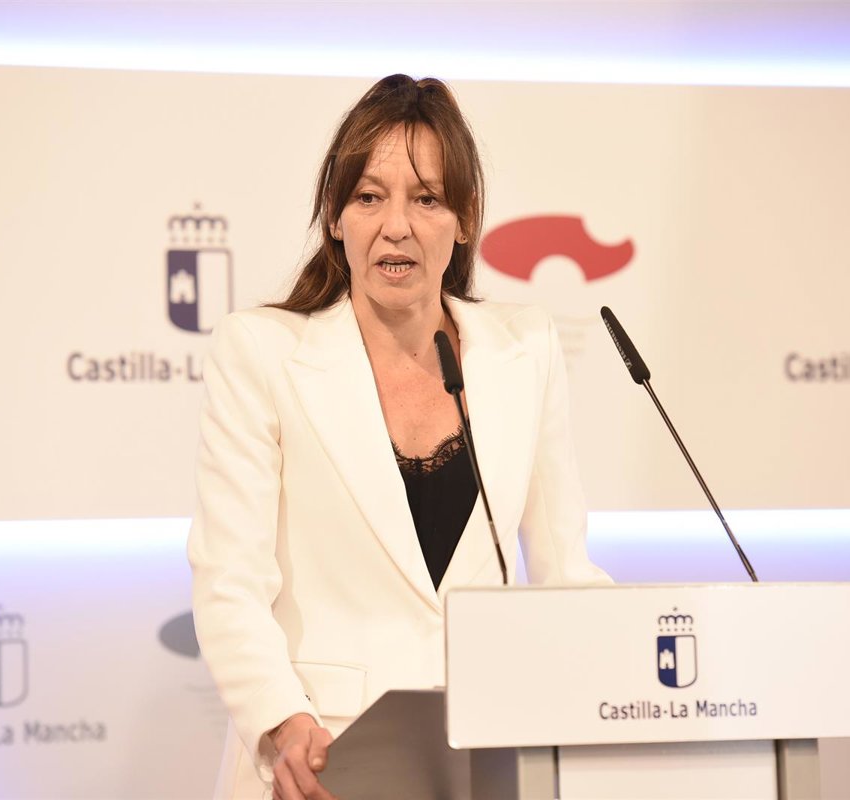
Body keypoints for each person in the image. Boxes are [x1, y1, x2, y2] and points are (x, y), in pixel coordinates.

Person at [188, 74, 612, 800]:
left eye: (427, 199)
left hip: (477, 759)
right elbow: (230, 584)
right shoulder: (260, 352)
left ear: (465, 218)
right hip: (320, 761)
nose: (396, 226)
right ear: (334, 216)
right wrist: (284, 722)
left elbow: (566, 574)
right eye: (368, 197)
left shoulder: (524, 350)